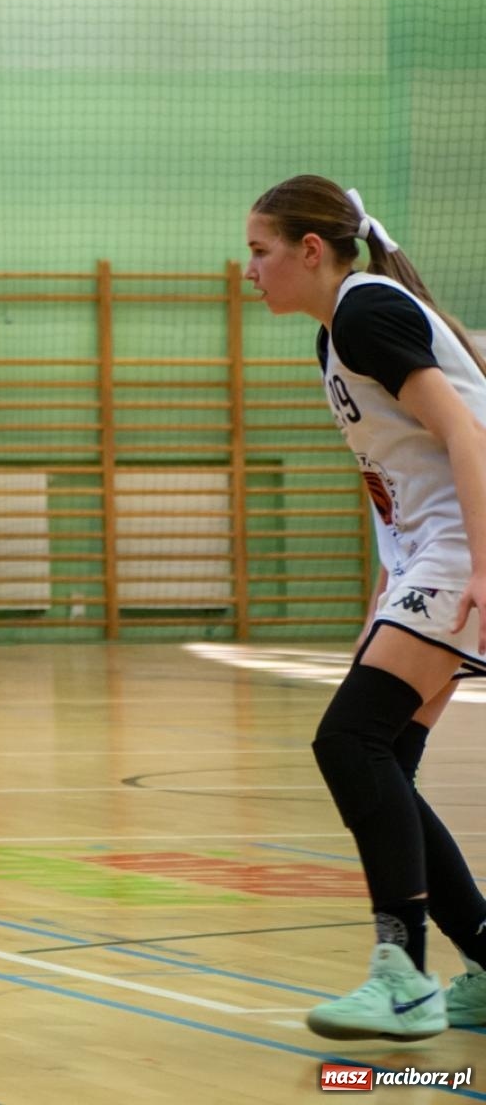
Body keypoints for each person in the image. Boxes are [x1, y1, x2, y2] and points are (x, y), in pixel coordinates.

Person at [246, 174, 486, 1041]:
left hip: (470, 546)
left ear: (312, 250)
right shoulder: (336, 336)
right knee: (383, 755)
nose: (250, 271)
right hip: (439, 552)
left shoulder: (364, 312)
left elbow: (468, 435)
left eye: (260, 251)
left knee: (347, 741)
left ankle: (405, 979)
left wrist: (481, 573)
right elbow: (401, 479)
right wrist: (389, 590)